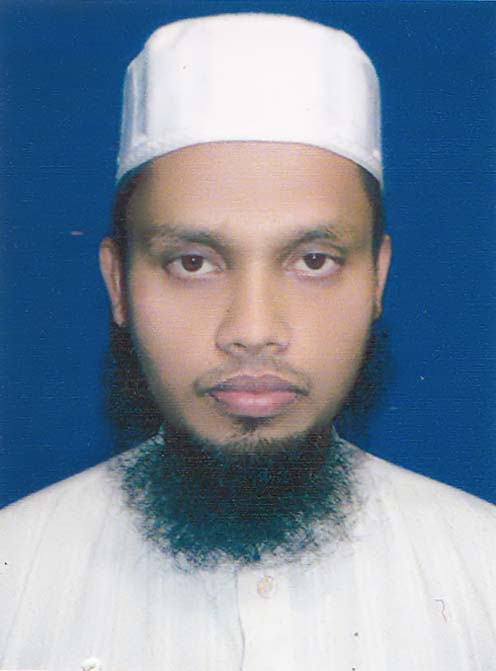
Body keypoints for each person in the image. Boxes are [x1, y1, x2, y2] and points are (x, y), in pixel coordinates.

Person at [1, 12, 494, 670]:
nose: (254, 330)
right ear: (118, 283)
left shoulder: (482, 576)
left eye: (313, 261)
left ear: (377, 279)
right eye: (193, 263)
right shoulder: (15, 583)